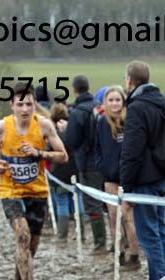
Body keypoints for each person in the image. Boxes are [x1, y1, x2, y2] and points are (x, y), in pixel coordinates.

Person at [0, 82, 68, 280]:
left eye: (29, 104)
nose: (25, 109)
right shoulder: (1, 127)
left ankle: (21, 271)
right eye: (21, 105)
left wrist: (39, 153)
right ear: (12, 106)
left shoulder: (44, 126)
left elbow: (63, 156)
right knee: (22, 236)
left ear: (35, 104)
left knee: (32, 244)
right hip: (11, 191)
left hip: (37, 192)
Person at [120, 60, 165, 280]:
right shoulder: (161, 103)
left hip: (144, 180)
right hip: (161, 175)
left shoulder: (137, 107)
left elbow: (131, 150)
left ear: (130, 80)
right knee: (160, 229)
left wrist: (127, 185)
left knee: (149, 233)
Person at [95, 85, 141, 268]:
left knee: (128, 217)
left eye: (117, 100)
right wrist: (102, 166)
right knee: (114, 217)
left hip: (127, 178)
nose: (114, 104)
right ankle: (119, 251)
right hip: (109, 177)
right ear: (106, 102)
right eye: (111, 100)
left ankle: (134, 253)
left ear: (123, 102)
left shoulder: (130, 120)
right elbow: (97, 147)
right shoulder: (101, 122)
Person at [66, 74, 108, 253]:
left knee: (92, 203)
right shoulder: (99, 108)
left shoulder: (77, 113)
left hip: (88, 163)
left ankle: (100, 243)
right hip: (106, 162)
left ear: (75, 90)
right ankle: (120, 242)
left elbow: (71, 140)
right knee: (110, 203)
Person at [48, 102, 76, 243]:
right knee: (77, 201)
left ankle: (62, 235)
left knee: (62, 203)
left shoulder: (53, 132)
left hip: (58, 172)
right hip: (74, 170)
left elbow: (48, 150)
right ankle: (81, 233)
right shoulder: (72, 129)